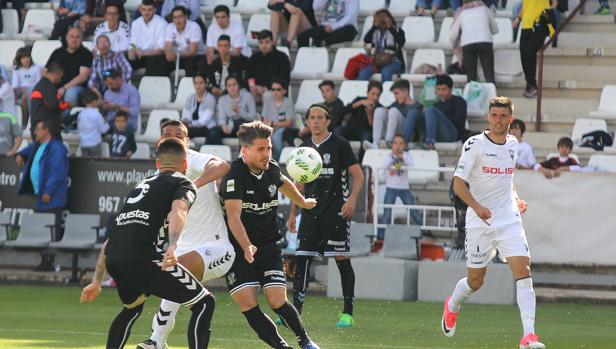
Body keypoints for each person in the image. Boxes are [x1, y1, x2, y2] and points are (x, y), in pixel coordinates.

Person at [80, 137, 216, 349]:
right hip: (144, 257)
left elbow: (111, 239)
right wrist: (173, 245)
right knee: (205, 303)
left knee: (132, 308)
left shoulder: (139, 187)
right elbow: (178, 209)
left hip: (115, 258)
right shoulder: (182, 182)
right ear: (185, 164)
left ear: (157, 164)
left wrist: (97, 281)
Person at [442, 96, 545, 349]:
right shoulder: (475, 144)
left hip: (509, 218)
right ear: (489, 117)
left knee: (524, 271)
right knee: (476, 281)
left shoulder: (513, 143)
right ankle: (453, 304)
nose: (498, 120)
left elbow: (506, 178)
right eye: (494, 115)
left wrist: (516, 198)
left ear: (511, 119)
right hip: (480, 222)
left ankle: (528, 336)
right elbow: (458, 185)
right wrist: (478, 208)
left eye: (503, 116)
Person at [219, 121, 320, 349]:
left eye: (269, 149)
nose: (267, 154)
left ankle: (306, 341)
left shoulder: (272, 168)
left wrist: (302, 202)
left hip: (268, 247)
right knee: (248, 303)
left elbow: (284, 184)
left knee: (277, 300)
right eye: (261, 149)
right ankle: (282, 347)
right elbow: (233, 217)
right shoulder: (235, 176)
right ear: (245, 150)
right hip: (238, 250)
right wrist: (245, 246)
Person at [137, 120, 235, 349]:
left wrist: (192, 185)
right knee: (172, 277)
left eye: (179, 135)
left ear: (187, 141)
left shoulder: (194, 159)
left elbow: (222, 166)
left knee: (175, 271)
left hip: (217, 249)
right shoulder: (159, 174)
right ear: (159, 140)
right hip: (180, 253)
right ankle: (156, 341)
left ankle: (156, 340)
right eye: (168, 134)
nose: (174, 137)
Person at [288, 103, 364, 328]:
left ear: (328, 121)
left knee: (341, 260)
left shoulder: (340, 144)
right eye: (312, 117)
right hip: (310, 214)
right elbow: (298, 184)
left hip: (336, 213)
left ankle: (347, 313)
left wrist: (351, 201)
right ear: (308, 121)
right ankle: (294, 313)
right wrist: (293, 213)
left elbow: (358, 175)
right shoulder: (303, 149)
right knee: (302, 261)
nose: (316, 121)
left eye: (320, 117)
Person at [16, 120, 69, 242]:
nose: (35, 132)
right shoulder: (37, 145)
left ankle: (50, 260)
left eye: (38, 129)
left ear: (46, 131)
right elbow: (27, 150)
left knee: (50, 233)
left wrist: (48, 191)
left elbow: (58, 173)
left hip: (52, 197)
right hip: (41, 195)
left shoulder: (57, 148)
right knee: (41, 233)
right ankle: (44, 260)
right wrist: (19, 154)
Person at [403, 74, 467, 149]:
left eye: (443, 89)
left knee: (430, 110)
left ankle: (429, 143)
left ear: (451, 89)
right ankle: (403, 142)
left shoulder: (459, 101)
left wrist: (439, 115)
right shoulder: (436, 105)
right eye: (438, 89)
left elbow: (460, 122)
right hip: (436, 134)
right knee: (413, 112)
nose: (440, 92)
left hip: (452, 135)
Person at [378, 135, 422, 240]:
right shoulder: (389, 156)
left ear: (404, 146)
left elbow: (412, 165)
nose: (398, 146)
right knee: (387, 213)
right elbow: (383, 167)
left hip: (404, 189)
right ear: (392, 145)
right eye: (395, 143)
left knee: (413, 211)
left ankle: (425, 230)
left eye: (401, 143)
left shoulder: (407, 155)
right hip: (391, 188)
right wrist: (393, 158)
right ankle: (381, 236)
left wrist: (402, 158)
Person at [450, 0, 498, 83]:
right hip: (485, 42)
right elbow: (495, 30)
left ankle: (471, 95)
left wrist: (454, 45)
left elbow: (453, 35)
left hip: (468, 44)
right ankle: (492, 94)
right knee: (489, 75)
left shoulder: (462, 13)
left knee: (471, 77)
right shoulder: (484, 9)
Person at [365, 79, 420, 149]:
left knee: (394, 111)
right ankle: (375, 143)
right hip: (393, 133)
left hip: (407, 136)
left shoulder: (417, 106)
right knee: (379, 110)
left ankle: (388, 142)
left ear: (405, 91)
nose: (395, 97)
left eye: (397, 93)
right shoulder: (395, 104)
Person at [45, 28, 93, 109]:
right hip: (55, 86)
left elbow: (83, 76)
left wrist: (64, 88)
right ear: (67, 38)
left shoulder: (86, 54)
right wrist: (49, 86)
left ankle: (67, 120)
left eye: (77, 37)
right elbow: (45, 71)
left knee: (71, 94)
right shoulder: (57, 52)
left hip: (76, 88)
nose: (74, 40)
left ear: (82, 39)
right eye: (72, 37)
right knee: (33, 91)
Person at [513, 0, 551, 98]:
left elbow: (552, 5)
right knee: (523, 55)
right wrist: (518, 18)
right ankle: (530, 84)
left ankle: (532, 85)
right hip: (526, 25)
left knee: (530, 53)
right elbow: (525, 6)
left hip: (538, 25)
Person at [358, 9, 405, 83]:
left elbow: (401, 42)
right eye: (379, 17)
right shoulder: (374, 31)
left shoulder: (398, 30)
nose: (382, 20)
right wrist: (374, 26)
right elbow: (366, 40)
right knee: (363, 73)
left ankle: (385, 93)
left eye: (384, 17)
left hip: (393, 62)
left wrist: (390, 28)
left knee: (386, 72)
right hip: (376, 62)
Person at [246, 30, 291, 104]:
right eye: (261, 43)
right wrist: (253, 87)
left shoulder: (282, 58)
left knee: (267, 95)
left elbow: (285, 80)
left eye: (267, 42)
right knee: (246, 96)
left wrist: (265, 89)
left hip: (274, 92)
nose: (264, 45)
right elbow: (248, 76)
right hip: (256, 92)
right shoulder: (254, 58)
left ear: (272, 42)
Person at [335, 80, 385, 146]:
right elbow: (345, 111)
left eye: (378, 95)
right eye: (373, 94)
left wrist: (369, 114)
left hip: (365, 131)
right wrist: (360, 103)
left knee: (367, 137)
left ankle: (363, 156)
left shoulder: (379, 108)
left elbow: (374, 129)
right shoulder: (359, 99)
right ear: (367, 93)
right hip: (350, 128)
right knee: (338, 130)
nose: (375, 97)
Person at [128, 0, 168, 76]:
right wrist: (132, 52)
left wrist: (143, 53)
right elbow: (133, 43)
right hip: (139, 56)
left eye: (149, 10)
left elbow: (162, 50)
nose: (146, 13)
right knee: (124, 58)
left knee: (154, 60)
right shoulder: (136, 23)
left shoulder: (162, 23)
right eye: (144, 10)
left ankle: (148, 86)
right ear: (140, 9)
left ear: (154, 10)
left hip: (155, 56)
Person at [164, 5, 205, 77]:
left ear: (186, 17)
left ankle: (189, 86)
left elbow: (193, 51)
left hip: (196, 56)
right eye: (175, 17)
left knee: (190, 63)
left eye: (180, 16)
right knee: (162, 62)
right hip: (177, 57)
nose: (178, 20)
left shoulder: (194, 27)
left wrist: (176, 54)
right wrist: (169, 54)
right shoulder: (170, 27)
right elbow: (168, 46)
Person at [30, 63, 68, 139]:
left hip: (38, 128)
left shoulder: (40, 85)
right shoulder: (47, 86)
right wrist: (68, 105)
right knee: (56, 150)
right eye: (60, 77)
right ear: (56, 74)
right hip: (46, 130)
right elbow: (54, 104)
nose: (60, 80)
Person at [261, 77, 296, 161]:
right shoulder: (268, 101)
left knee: (277, 135)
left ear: (284, 91)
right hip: (270, 128)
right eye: (273, 90)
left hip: (285, 129)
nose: (275, 92)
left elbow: (289, 123)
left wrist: (273, 124)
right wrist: (269, 127)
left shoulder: (288, 102)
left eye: (278, 89)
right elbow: (264, 119)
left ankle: (278, 160)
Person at [181, 74, 222, 144]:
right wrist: (185, 122)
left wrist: (190, 124)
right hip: (193, 128)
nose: (198, 86)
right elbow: (185, 115)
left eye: (201, 83)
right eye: (196, 83)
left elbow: (204, 120)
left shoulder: (210, 99)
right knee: (178, 130)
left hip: (207, 128)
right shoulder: (189, 98)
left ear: (206, 84)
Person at [77, 88, 109, 157]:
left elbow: (79, 129)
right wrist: (107, 123)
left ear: (84, 102)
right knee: (96, 165)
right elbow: (103, 130)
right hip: (95, 144)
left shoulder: (81, 114)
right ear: (95, 101)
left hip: (84, 144)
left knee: (85, 164)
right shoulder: (97, 114)